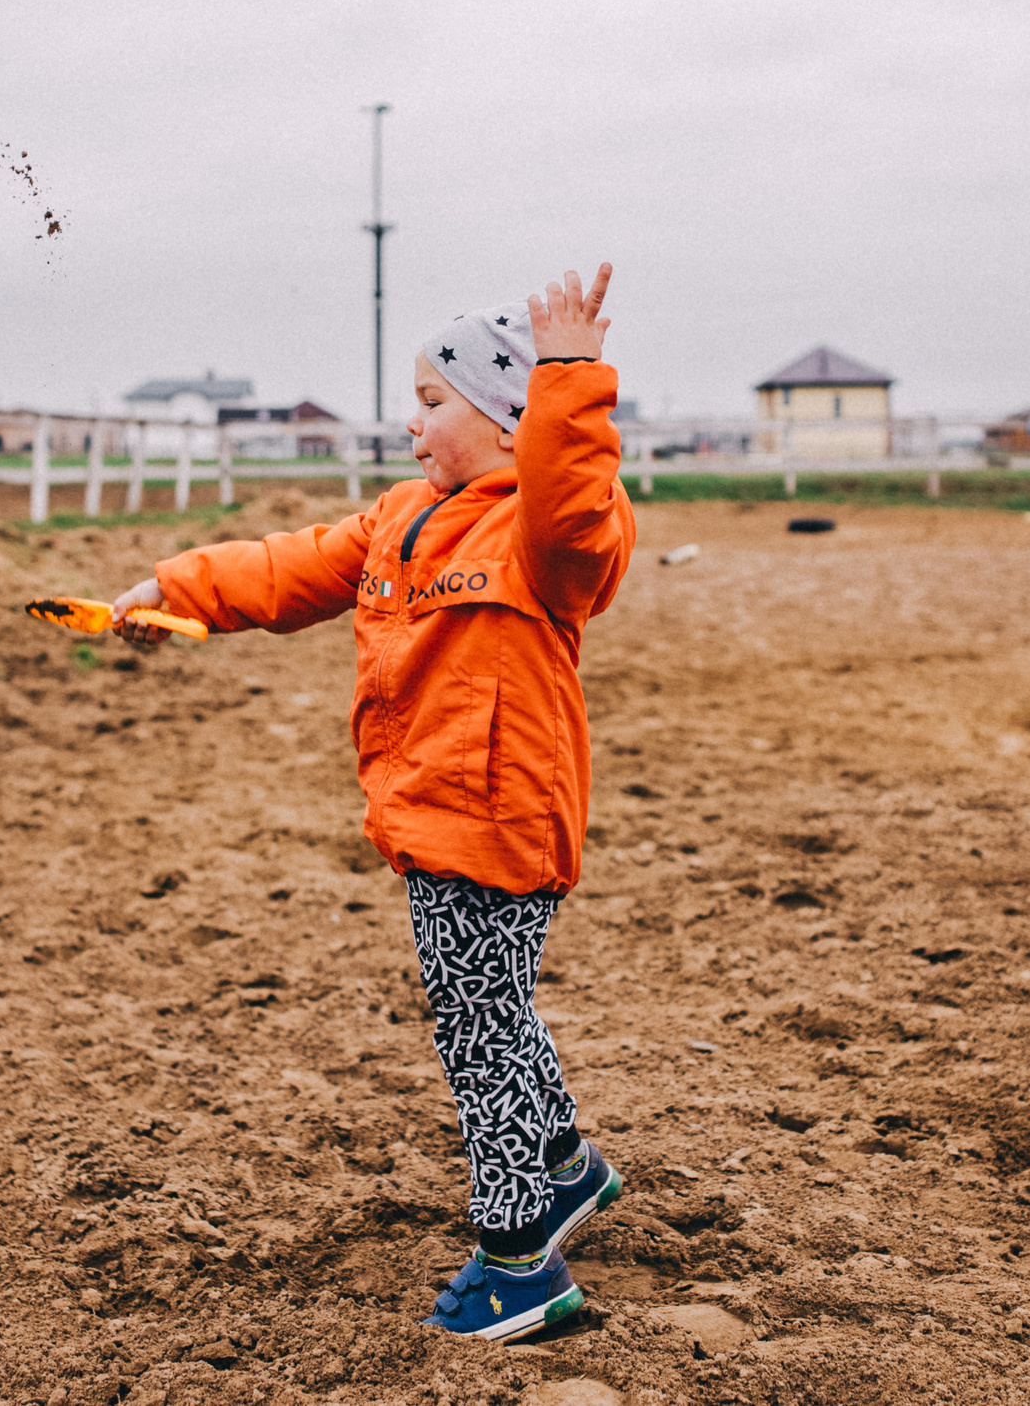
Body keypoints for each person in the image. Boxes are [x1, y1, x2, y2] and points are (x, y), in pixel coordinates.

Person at [107, 263, 636, 1342]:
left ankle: (518, 1259)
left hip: (497, 820)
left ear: (508, 420)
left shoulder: (545, 538)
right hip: (427, 810)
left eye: (434, 402)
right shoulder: (403, 518)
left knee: (480, 1030)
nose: (411, 424)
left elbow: (573, 495)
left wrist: (569, 377)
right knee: (489, 1006)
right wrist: (179, 585)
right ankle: (560, 1164)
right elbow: (293, 566)